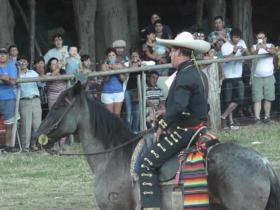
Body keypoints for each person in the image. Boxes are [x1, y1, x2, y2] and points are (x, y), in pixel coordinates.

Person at [139, 32, 210, 209]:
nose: (169, 55)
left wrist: (162, 125)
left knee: (146, 164)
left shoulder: (184, 75)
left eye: (171, 51)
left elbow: (179, 107)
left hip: (186, 132)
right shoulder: (197, 73)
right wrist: (166, 112)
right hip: (198, 128)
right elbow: (190, 106)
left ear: (179, 52)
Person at [220, 28, 250, 130]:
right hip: (228, 77)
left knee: (239, 99)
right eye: (235, 37)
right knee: (228, 100)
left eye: (238, 37)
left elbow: (249, 55)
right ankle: (230, 123)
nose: (237, 39)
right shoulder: (225, 46)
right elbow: (227, 60)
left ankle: (223, 117)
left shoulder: (242, 42)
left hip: (238, 75)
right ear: (230, 37)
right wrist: (234, 51)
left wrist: (244, 51)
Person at [251, 32, 277, 123]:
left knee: (268, 98)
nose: (260, 39)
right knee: (257, 99)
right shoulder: (254, 46)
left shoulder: (270, 45)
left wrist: (265, 47)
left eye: (262, 38)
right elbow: (252, 55)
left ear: (266, 38)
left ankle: (267, 117)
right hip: (257, 77)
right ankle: (257, 118)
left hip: (269, 76)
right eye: (258, 38)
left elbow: (274, 52)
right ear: (256, 38)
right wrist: (258, 48)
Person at [17, 56, 42, 152]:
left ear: (28, 63)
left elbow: (41, 84)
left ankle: (35, 145)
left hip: (35, 99)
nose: (23, 63)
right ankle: (25, 147)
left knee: (37, 124)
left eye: (25, 61)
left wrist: (41, 73)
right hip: (24, 100)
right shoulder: (16, 74)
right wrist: (18, 71)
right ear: (18, 63)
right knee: (26, 124)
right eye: (21, 61)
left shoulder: (33, 73)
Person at [0, 48, 18, 152]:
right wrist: (4, 77)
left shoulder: (11, 65)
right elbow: (8, 79)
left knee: (9, 124)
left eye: (4, 54)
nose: (2, 55)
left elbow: (13, 82)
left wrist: (6, 79)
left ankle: (9, 147)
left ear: (7, 56)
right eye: (0, 54)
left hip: (9, 98)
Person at [101, 48, 127, 116]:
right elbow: (106, 78)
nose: (112, 57)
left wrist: (114, 68)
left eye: (113, 55)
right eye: (110, 55)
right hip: (107, 92)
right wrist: (113, 68)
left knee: (117, 116)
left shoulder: (120, 65)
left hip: (118, 92)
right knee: (109, 116)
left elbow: (123, 79)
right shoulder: (104, 65)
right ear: (107, 57)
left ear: (116, 56)